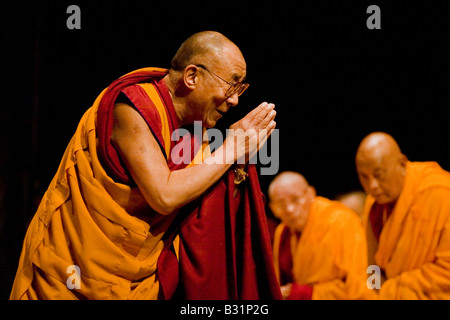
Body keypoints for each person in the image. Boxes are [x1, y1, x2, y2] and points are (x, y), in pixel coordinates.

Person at [10, 31, 282, 300]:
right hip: (72, 271)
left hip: (140, 280)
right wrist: (232, 147)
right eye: (231, 86)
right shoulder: (131, 106)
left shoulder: (194, 131)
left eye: (240, 89)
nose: (235, 100)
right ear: (191, 76)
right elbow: (163, 196)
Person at [355, 132, 450, 299]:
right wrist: (377, 292)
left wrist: (392, 289)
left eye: (378, 175)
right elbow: (371, 265)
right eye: (364, 177)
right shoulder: (373, 203)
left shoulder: (441, 194)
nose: (372, 186)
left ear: (402, 163)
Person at [269, 171, 376, 300]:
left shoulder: (340, 221)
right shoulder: (283, 232)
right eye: (281, 204)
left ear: (311, 194)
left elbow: (356, 287)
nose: (290, 209)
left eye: (295, 200)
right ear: (273, 208)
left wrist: (303, 293)